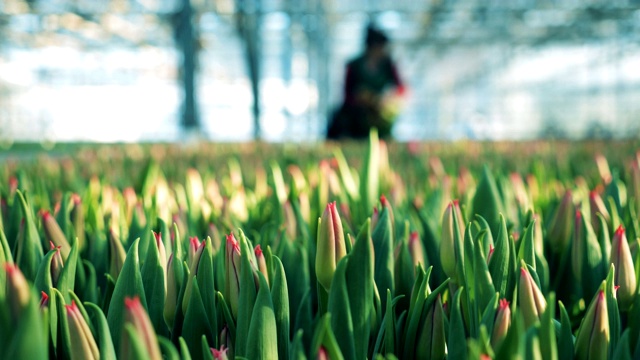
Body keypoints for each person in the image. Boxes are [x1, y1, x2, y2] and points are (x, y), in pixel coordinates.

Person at [328, 25, 406, 139]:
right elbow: (347, 94)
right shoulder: (354, 65)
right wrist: (362, 98)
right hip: (356, 114)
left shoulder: (388, 65)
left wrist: (387, 99)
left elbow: (401, 88)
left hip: (380, 112)